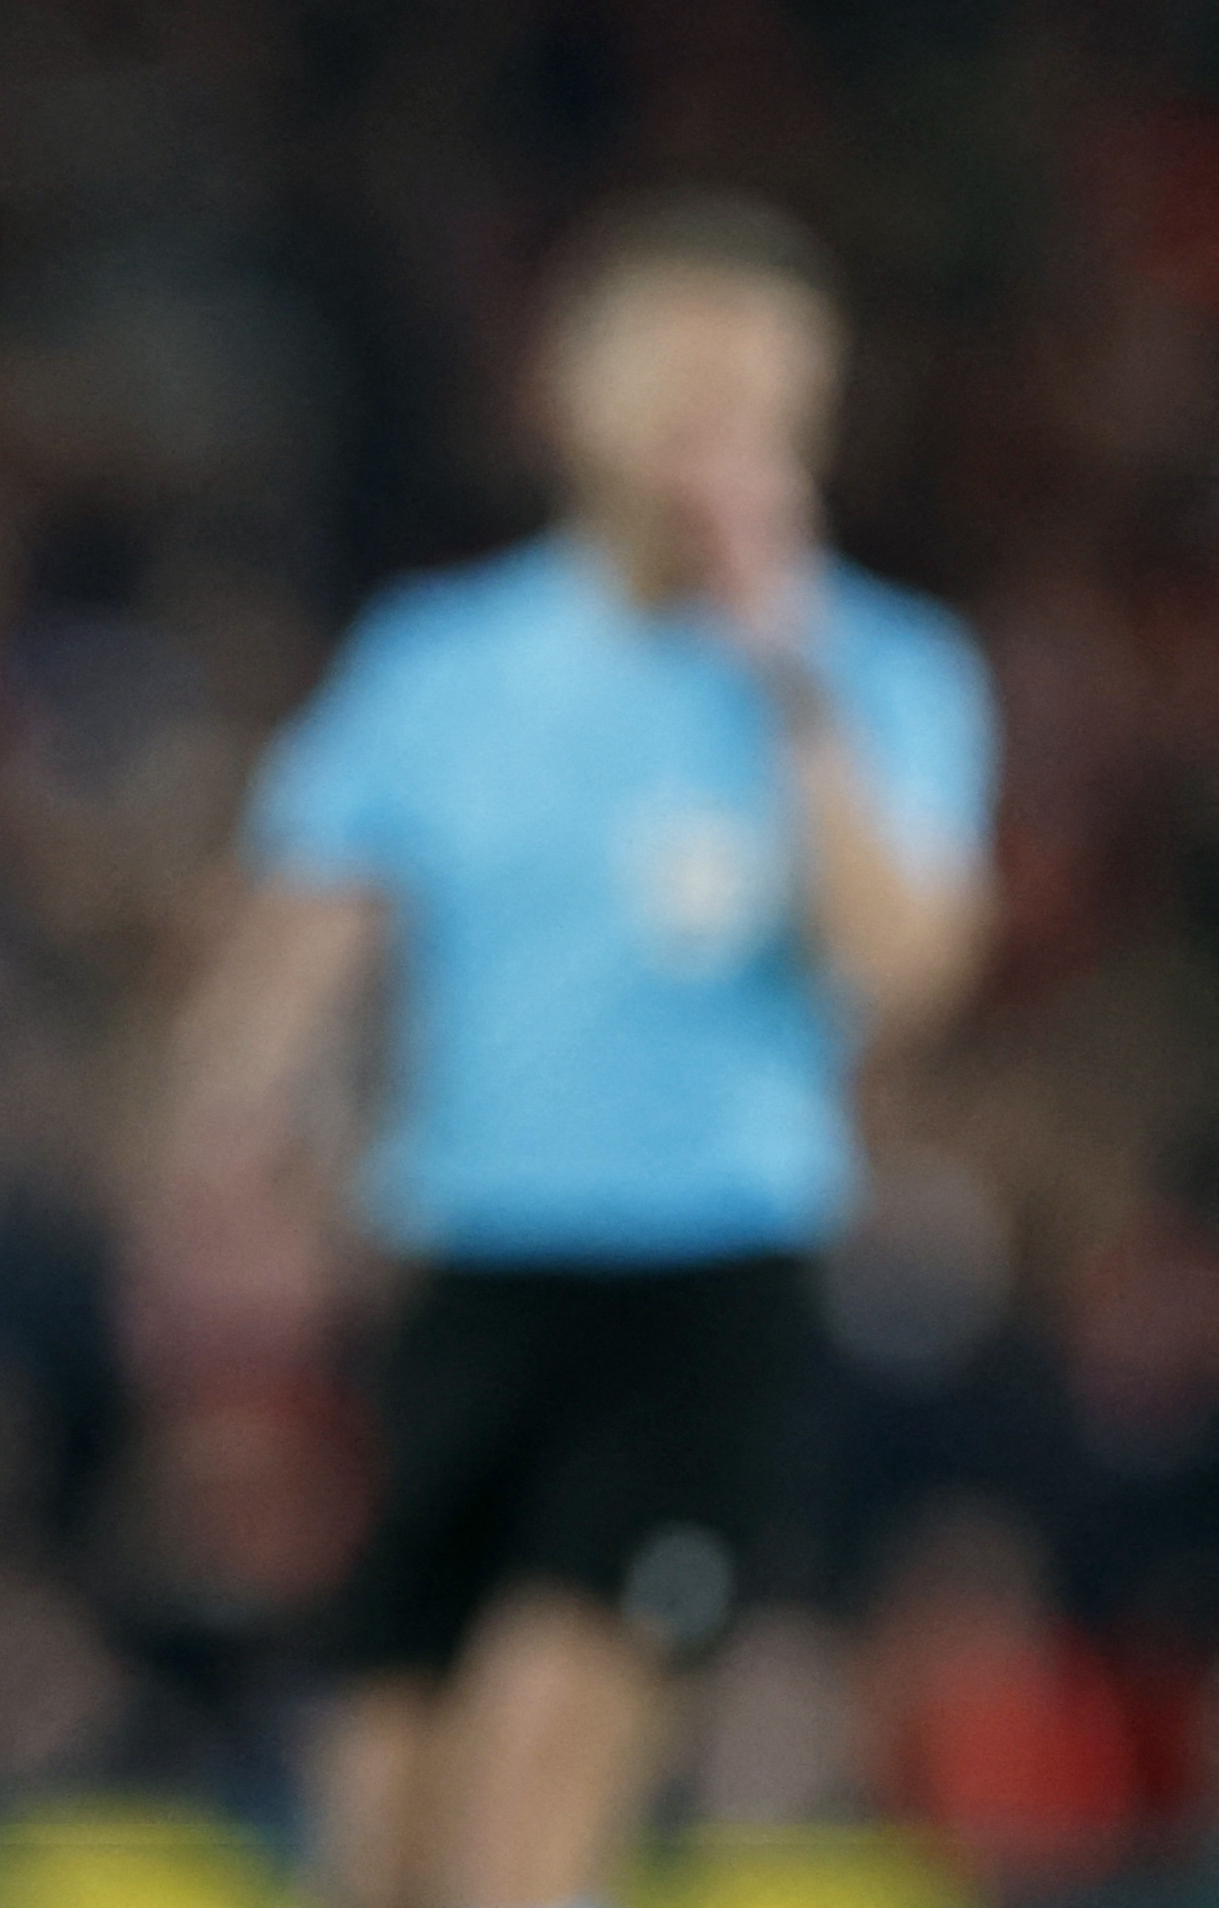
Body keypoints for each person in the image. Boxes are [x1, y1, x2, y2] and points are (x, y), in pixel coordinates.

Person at [156, 196, 995, 1908]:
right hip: (468, 1276)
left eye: (760, 401)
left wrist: (791, 680)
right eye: (684, 391)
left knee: (532, 1797)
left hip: (700, 1284)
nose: (722, 440)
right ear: (576, 399)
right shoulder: (444, 664)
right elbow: (299, 945)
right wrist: (226, 1148)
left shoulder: (884, 670)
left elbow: (903, 967)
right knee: (377, 1824)